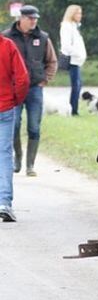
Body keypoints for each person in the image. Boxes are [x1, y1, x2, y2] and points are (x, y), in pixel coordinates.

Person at [3, 4, 57, 177]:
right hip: (14, 89)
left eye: (35, 18)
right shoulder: (7, 37)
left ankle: (30, 165)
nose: (34, 21)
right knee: (15, 125)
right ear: (21, 18)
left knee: (34, 126)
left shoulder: (42, 38)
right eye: (30, 18)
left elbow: (52, 61)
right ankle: (17, 160)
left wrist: (45, 79)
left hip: (34, 88)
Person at [0, 32, 29, 221]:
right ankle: (4, 202)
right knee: (4, 154)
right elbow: (22, 78)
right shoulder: (7, 45)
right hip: (5, 107)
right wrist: (15, 100)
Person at [60, 4, 87, 116]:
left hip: (77, 61)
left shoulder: (75, 26)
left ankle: (74, 108)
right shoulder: (67, 26)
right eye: (77, 13)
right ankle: (74, 110)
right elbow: (66, 46)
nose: (80, 15)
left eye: (80, 13)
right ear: (72, 14)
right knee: (76, 85)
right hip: (73, 60)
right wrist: (78, 54)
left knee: (78, 85)